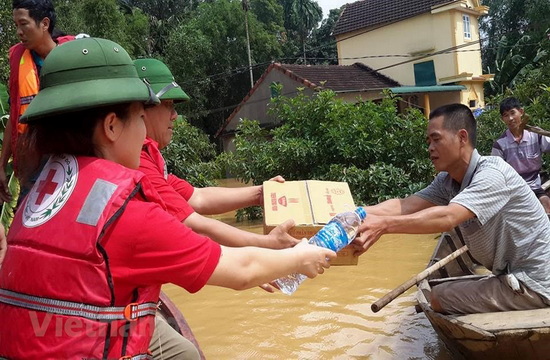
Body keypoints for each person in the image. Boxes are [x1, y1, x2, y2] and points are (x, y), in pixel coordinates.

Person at [0, 37, 336, 359]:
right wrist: (302, 257)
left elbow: (197, 202)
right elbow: (241, 269)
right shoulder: (126, 212)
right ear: (113, 126)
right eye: (140, 118)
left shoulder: (35, 194)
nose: (146, 130)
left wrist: (259, 200)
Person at [134, 58, 301, 359]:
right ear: (140, 110)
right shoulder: (139, 158)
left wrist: (258, 194)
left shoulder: (150, 157)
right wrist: (268, 246)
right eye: (168, 105)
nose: (175, 116)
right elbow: (193, 223)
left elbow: (197, 197)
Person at [352, 103, 550, 315]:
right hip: (514, 277)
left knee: (438, 297)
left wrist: (383, 225)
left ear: (462, 137)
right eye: (428, 141)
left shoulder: (492, 173)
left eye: (436, 139)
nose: (430, 147)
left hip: (536, 283)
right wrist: (355, 213)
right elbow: (405, 205)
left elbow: (448, 217)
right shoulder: (447, 181)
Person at [0, 0, 76, 204]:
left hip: (72, 160)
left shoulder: (74, 58)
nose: (18, 31)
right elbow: (15, 116)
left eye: (23, 24)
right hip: (33, 165)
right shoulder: (19, 61)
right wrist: (1, 165)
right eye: (16, 25)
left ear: (44, 23)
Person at [491, 97, 550, 213]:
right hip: (513, 190)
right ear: (502, 119)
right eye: (506, 115)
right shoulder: (500, 144)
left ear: (521, 112)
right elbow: (495, 173)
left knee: (547, 204)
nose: (510, 118)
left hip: (534, 187)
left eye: (513, 113)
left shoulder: (536, 135)